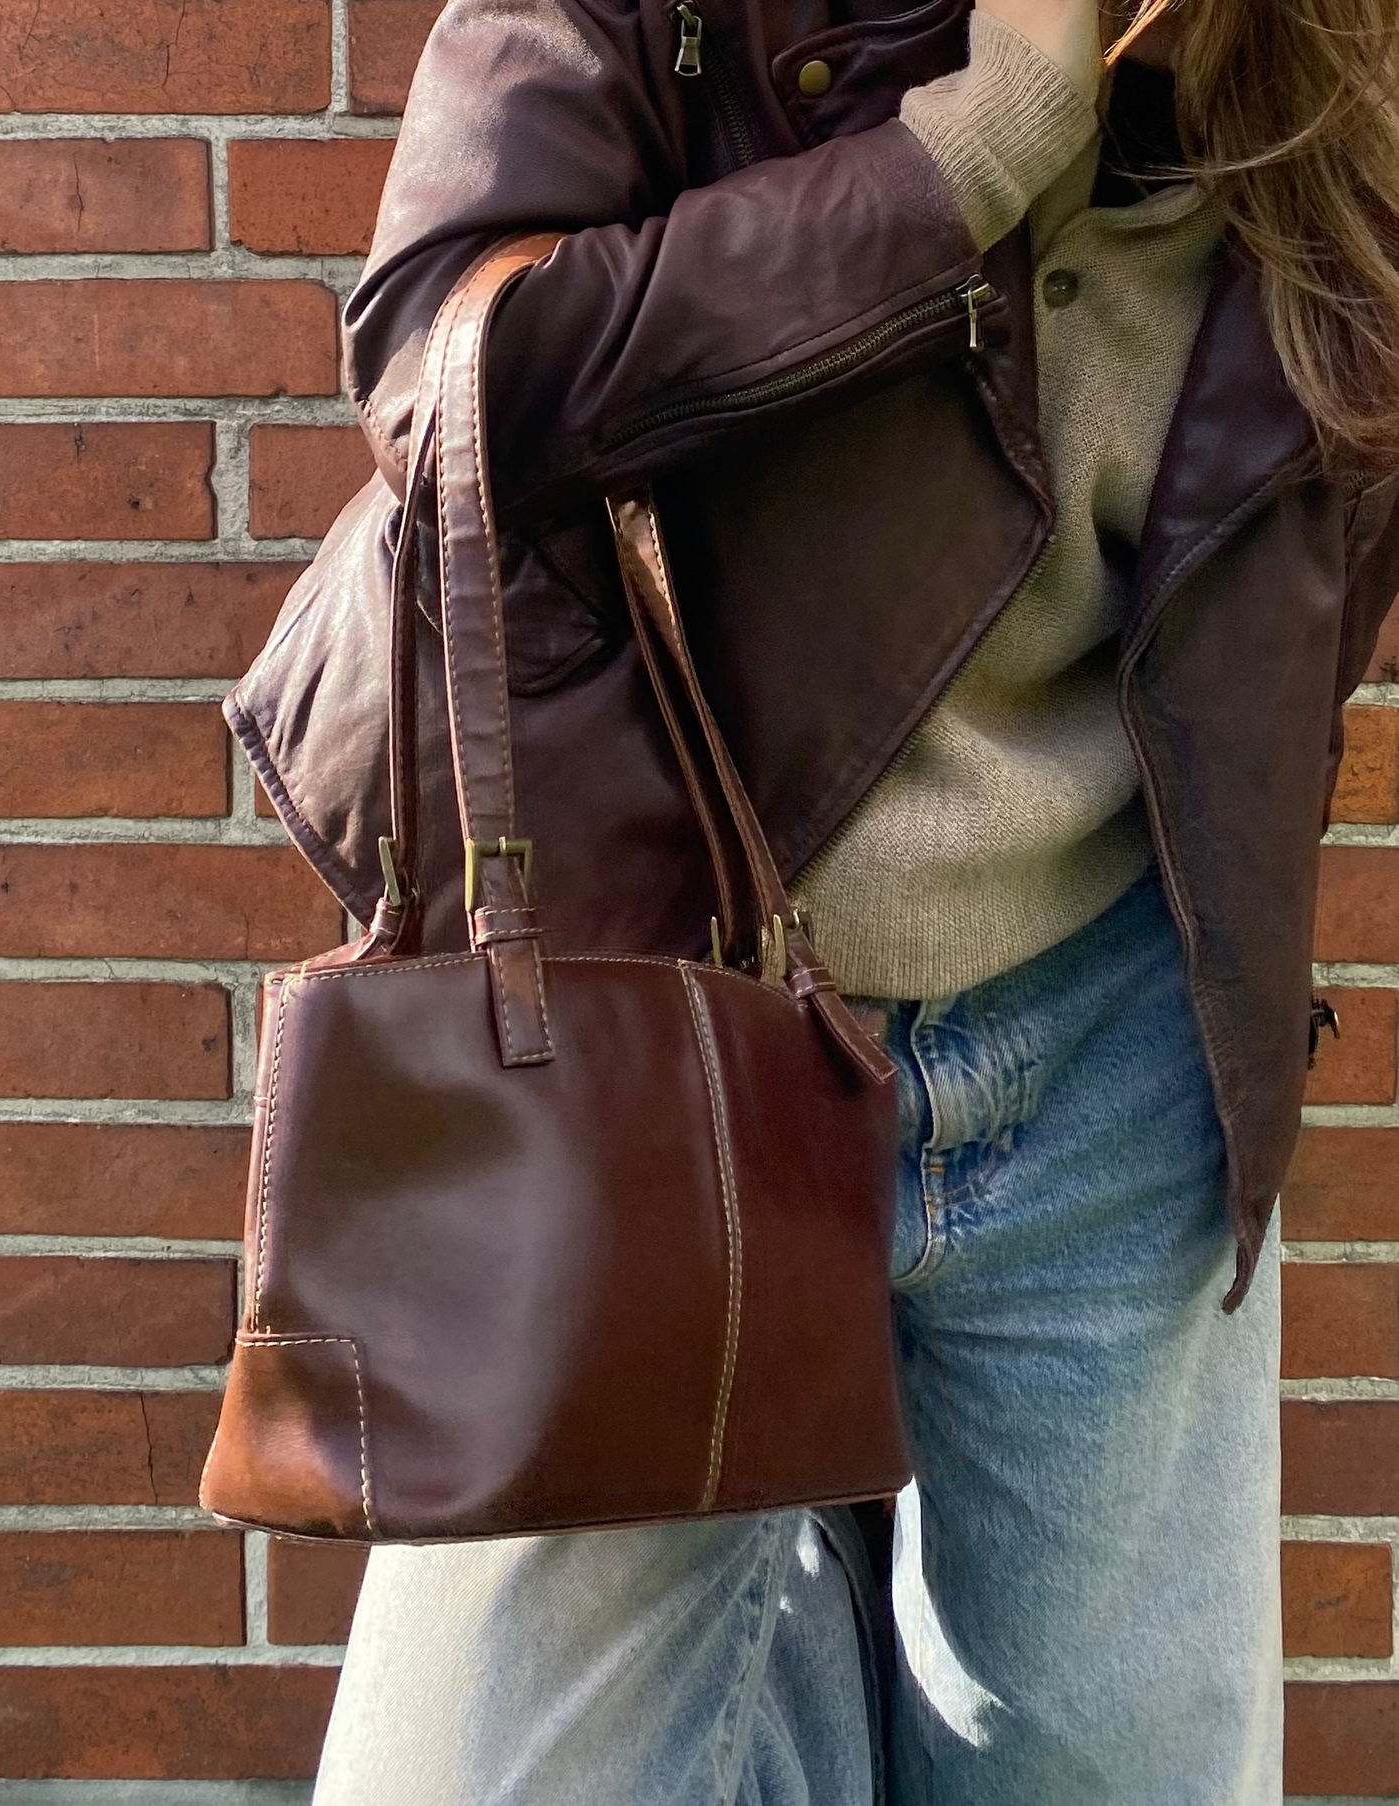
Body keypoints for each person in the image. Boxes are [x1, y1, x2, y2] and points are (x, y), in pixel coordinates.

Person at [309, 0, 1399, 1798]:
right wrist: (956, 166)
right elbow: (441, 370)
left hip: (1115, 1040)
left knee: (1103, 1766)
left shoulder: (1317, 56)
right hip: (682, 1017)